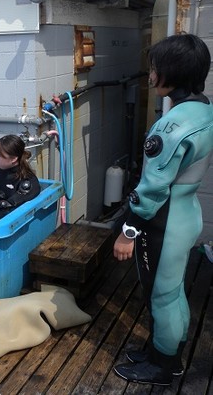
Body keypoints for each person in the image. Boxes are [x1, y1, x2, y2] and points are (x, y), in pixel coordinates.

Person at [113, 33, 213, 385]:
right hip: (185, 213)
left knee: (163, 294)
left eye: (154, 68)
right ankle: (162, 350)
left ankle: (165, 367)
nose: (150, 75)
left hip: (163, 220)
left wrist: (127, 232)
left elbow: (152, 188)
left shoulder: (171, 126)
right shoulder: (203, 108)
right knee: (171, 290)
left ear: (170, 72)